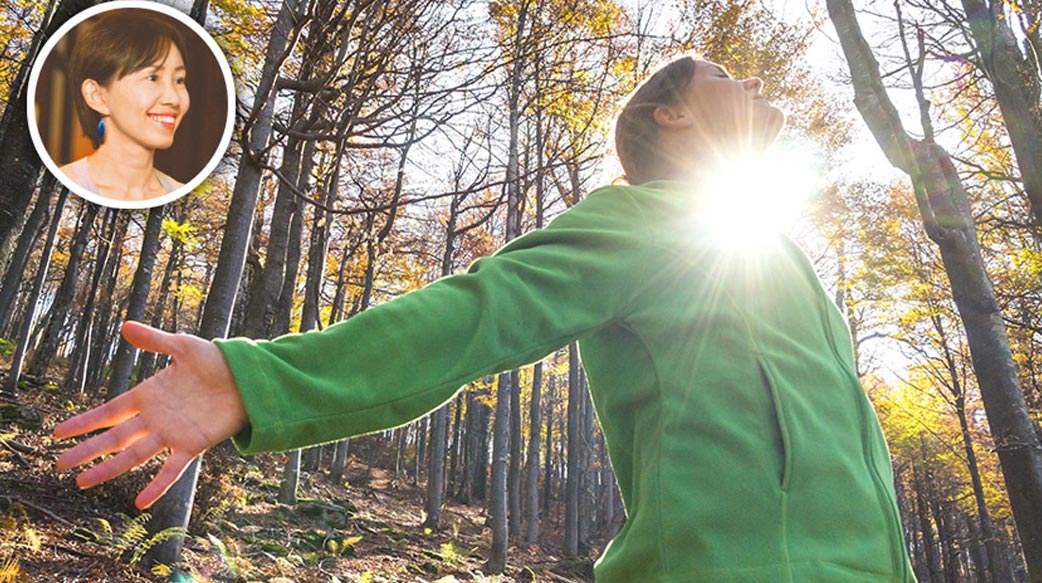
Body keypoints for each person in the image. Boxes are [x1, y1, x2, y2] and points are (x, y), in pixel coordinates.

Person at [54, 56, 917, 582]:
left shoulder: (781, 257)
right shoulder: (644, 219)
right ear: (673, 114)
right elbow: (476, 315)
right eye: (723, 77)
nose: (752, 82)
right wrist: (259, 379)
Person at [58, 9, 190, 203]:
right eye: (152, 77)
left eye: (179, 80)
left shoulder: (183, 197)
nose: (173, 98)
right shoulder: (58, 189)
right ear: (97, 96)